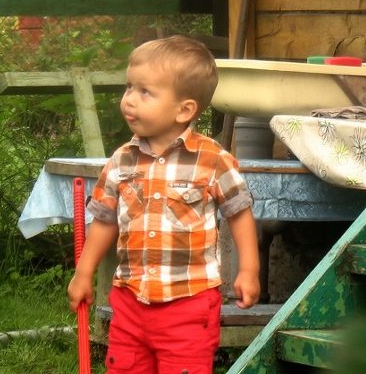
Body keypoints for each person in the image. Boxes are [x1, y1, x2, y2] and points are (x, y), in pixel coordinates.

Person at [68, 36, 260, 374]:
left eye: (146, 92)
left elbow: (239, 211)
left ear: (184, 109)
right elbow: (104, 220)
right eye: (129, 87)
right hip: (130, 302)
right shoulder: (121, 161)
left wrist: (248, 270)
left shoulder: (212, 160)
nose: (129, 100)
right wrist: (83, 273)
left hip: (189, 304)